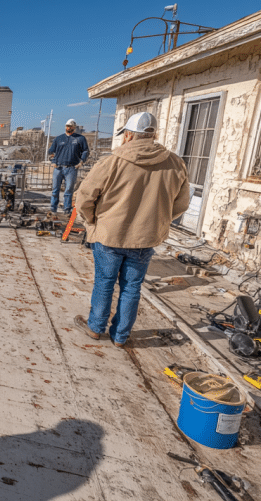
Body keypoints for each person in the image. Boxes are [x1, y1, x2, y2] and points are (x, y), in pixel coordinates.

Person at [73, 112, 190, 348]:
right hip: (145, 239)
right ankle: (120, 336)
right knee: (131, 287)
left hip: (109, 235)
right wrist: (158, 221)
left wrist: (92, 222)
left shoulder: (112, 161)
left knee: (104, 282)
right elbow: (181, 203)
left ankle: (96, 328)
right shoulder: (175, 163)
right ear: (154, 135)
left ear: (127, 135)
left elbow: (84, 198)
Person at [47, 119, 90, 215]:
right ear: (65, 126)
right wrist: (52, 161)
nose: (69, 128)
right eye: (67, 126)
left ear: (74, 127)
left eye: (71, 126)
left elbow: (85, 151)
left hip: (71, 168)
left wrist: (82, 161)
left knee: (69, 190)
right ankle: (53, 208)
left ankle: (67, 209)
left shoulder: (80, 139)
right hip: (58, 168)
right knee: (55, 189)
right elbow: (51, 151)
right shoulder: (59, 139)